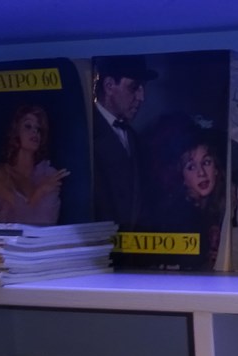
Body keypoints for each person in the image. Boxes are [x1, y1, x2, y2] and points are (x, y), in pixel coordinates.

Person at [92, 55, 157, 231]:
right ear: (109, 86)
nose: (141, 97)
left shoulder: (134, 138)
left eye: (143, 88)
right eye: (134, 87)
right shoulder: (87, 133)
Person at [152, 129, 227, 269]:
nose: (201, 173)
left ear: (216, 168)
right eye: (191, 167)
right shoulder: (179, 215)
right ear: (183, 177)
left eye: (206, 162)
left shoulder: (227, 205)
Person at [0, 104, 69, 225]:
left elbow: (43, 224)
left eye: (38, 129)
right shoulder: (1, 172)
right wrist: (38, 194)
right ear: (16, 131)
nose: (35, 131)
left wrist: (36, 192)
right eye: (28, 126)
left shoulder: (48, 175)